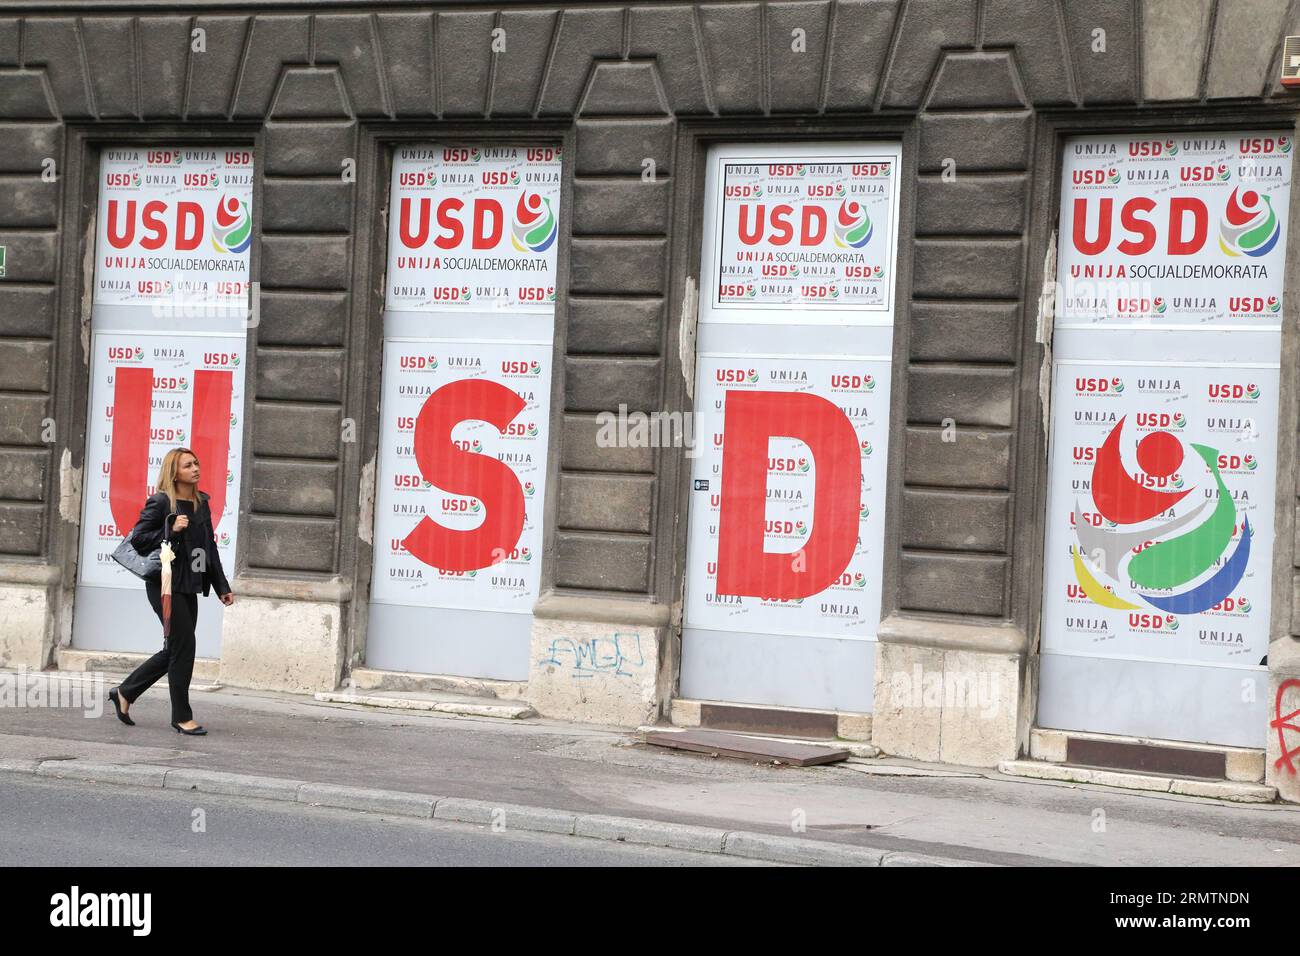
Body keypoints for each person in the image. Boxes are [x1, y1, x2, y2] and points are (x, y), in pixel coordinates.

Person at [107, 447, 235, 735]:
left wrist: (221, 586)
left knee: (177, 647)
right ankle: (181, 716)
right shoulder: (162, 502)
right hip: (164, 585)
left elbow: (209, 548)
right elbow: (138, 539)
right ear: (174, 472)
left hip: (190, 584)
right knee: (184, 646)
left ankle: (125, 692)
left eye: (196, 463)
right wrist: (170, 528)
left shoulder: (201, 502)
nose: (195, 468)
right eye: (188, 465)